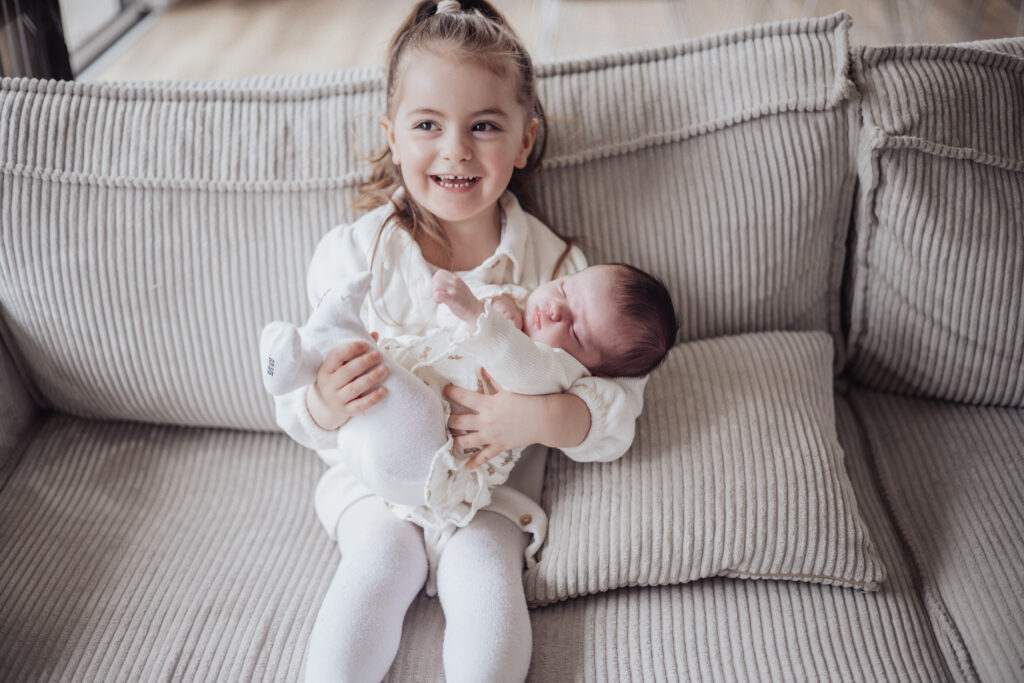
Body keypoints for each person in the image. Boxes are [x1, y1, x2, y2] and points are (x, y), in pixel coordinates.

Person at [271, 2, 665, 680]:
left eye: (483, 126)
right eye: (428, 125)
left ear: (524, 141)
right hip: (374, 486)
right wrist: (323, 405)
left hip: (487, 495)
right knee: (378, 565)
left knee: (487, 583)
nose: (455, 149)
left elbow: (617, 414)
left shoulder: (557, 271)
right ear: (393, 135)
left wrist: (536, 418)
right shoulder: (357, 255)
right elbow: (298, 387)